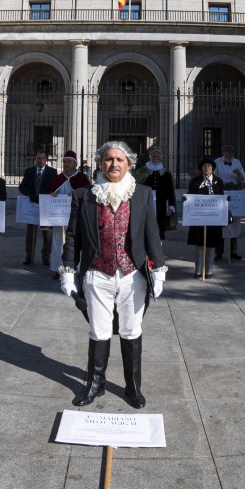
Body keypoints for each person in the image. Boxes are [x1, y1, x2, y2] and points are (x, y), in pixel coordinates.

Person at [59, 140, 167, 408]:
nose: (114, 164)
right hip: (98, 273)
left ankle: (132, 387)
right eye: (108, 159)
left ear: (129, 164)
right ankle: (96, 384)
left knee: (131, 329)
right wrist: (68, 270)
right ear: (99, 163)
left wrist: (160, 269)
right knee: (99, 329)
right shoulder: (84, 195)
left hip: (133, 275)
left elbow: (152, 233)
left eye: (120, 160)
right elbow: (73, 236)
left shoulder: (141, 193)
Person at [45, 150, 92, 276]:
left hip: (75, 217)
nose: (66, 164)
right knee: (58, 242)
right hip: (59, 219)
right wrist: (51, 195)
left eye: (69, 162)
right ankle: (58, 268)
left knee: (75, 242)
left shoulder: (81, 178)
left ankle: (74, 268)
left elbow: (87, 195)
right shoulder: (57, 178)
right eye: (65, 162)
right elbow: (48, 194)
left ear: (75, 164)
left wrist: (76, 194)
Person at [187, 158, 225, 278]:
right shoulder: (195, 181)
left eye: (209, 166)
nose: (207, 168)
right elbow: (190, 197)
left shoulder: (218, 181)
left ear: (212, 168)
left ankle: (208, 270)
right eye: (204, 166)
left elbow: (221, 198)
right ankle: (198, 270)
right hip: (199, 218)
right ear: (201, 168)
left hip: (213, 218)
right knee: (199, 244)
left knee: (211, 245)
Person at [18, 150, 56, 265]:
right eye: (38, 158)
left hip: (46, 207)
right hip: (32, 206)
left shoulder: (52, 172)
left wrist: (47, 195)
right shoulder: (29, 171)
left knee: (47, 234)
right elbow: (22, 186)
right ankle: (29, 256)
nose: (40, 161)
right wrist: (30, 194)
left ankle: (46, 256)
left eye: (42, 158)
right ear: (35, 159)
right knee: (30, 233)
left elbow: (55, 187)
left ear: (46, 159)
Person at [134, 147, 176, 239]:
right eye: (154, 156)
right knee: (146, 225)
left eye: (158, 156)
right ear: (150, 157)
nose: (156, 158)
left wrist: (171, 206)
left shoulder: (166, 173)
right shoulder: (142, 171)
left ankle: (158, 249)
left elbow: (170, 191)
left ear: (160, 158)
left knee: (160, 228)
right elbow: (137, 187)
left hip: (161, 204)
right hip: (146, 201)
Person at [213, 145, 245, 260]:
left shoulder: (237, 162)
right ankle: (219, 251)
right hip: (222, 194)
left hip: (235, 195)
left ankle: (233, 251)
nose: (229, 155)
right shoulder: (216, 162)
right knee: (221, 223)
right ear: (223, 153)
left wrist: (239, 174)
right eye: (227, 153)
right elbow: (213, 177)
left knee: (234, 223)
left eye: (231, 153)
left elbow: (244, 178)